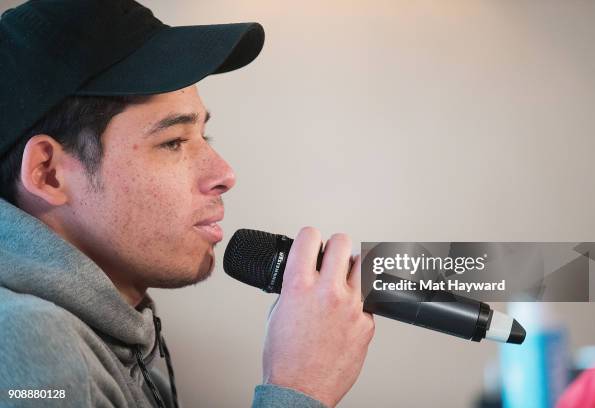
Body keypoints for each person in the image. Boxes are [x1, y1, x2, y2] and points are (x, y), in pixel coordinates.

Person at [0, 1, 375, 407]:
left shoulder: (123, 339)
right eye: (173, 142)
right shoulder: (29, 340)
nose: (224, 174)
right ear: (48, 172)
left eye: (204, 137)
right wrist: (300, 388)